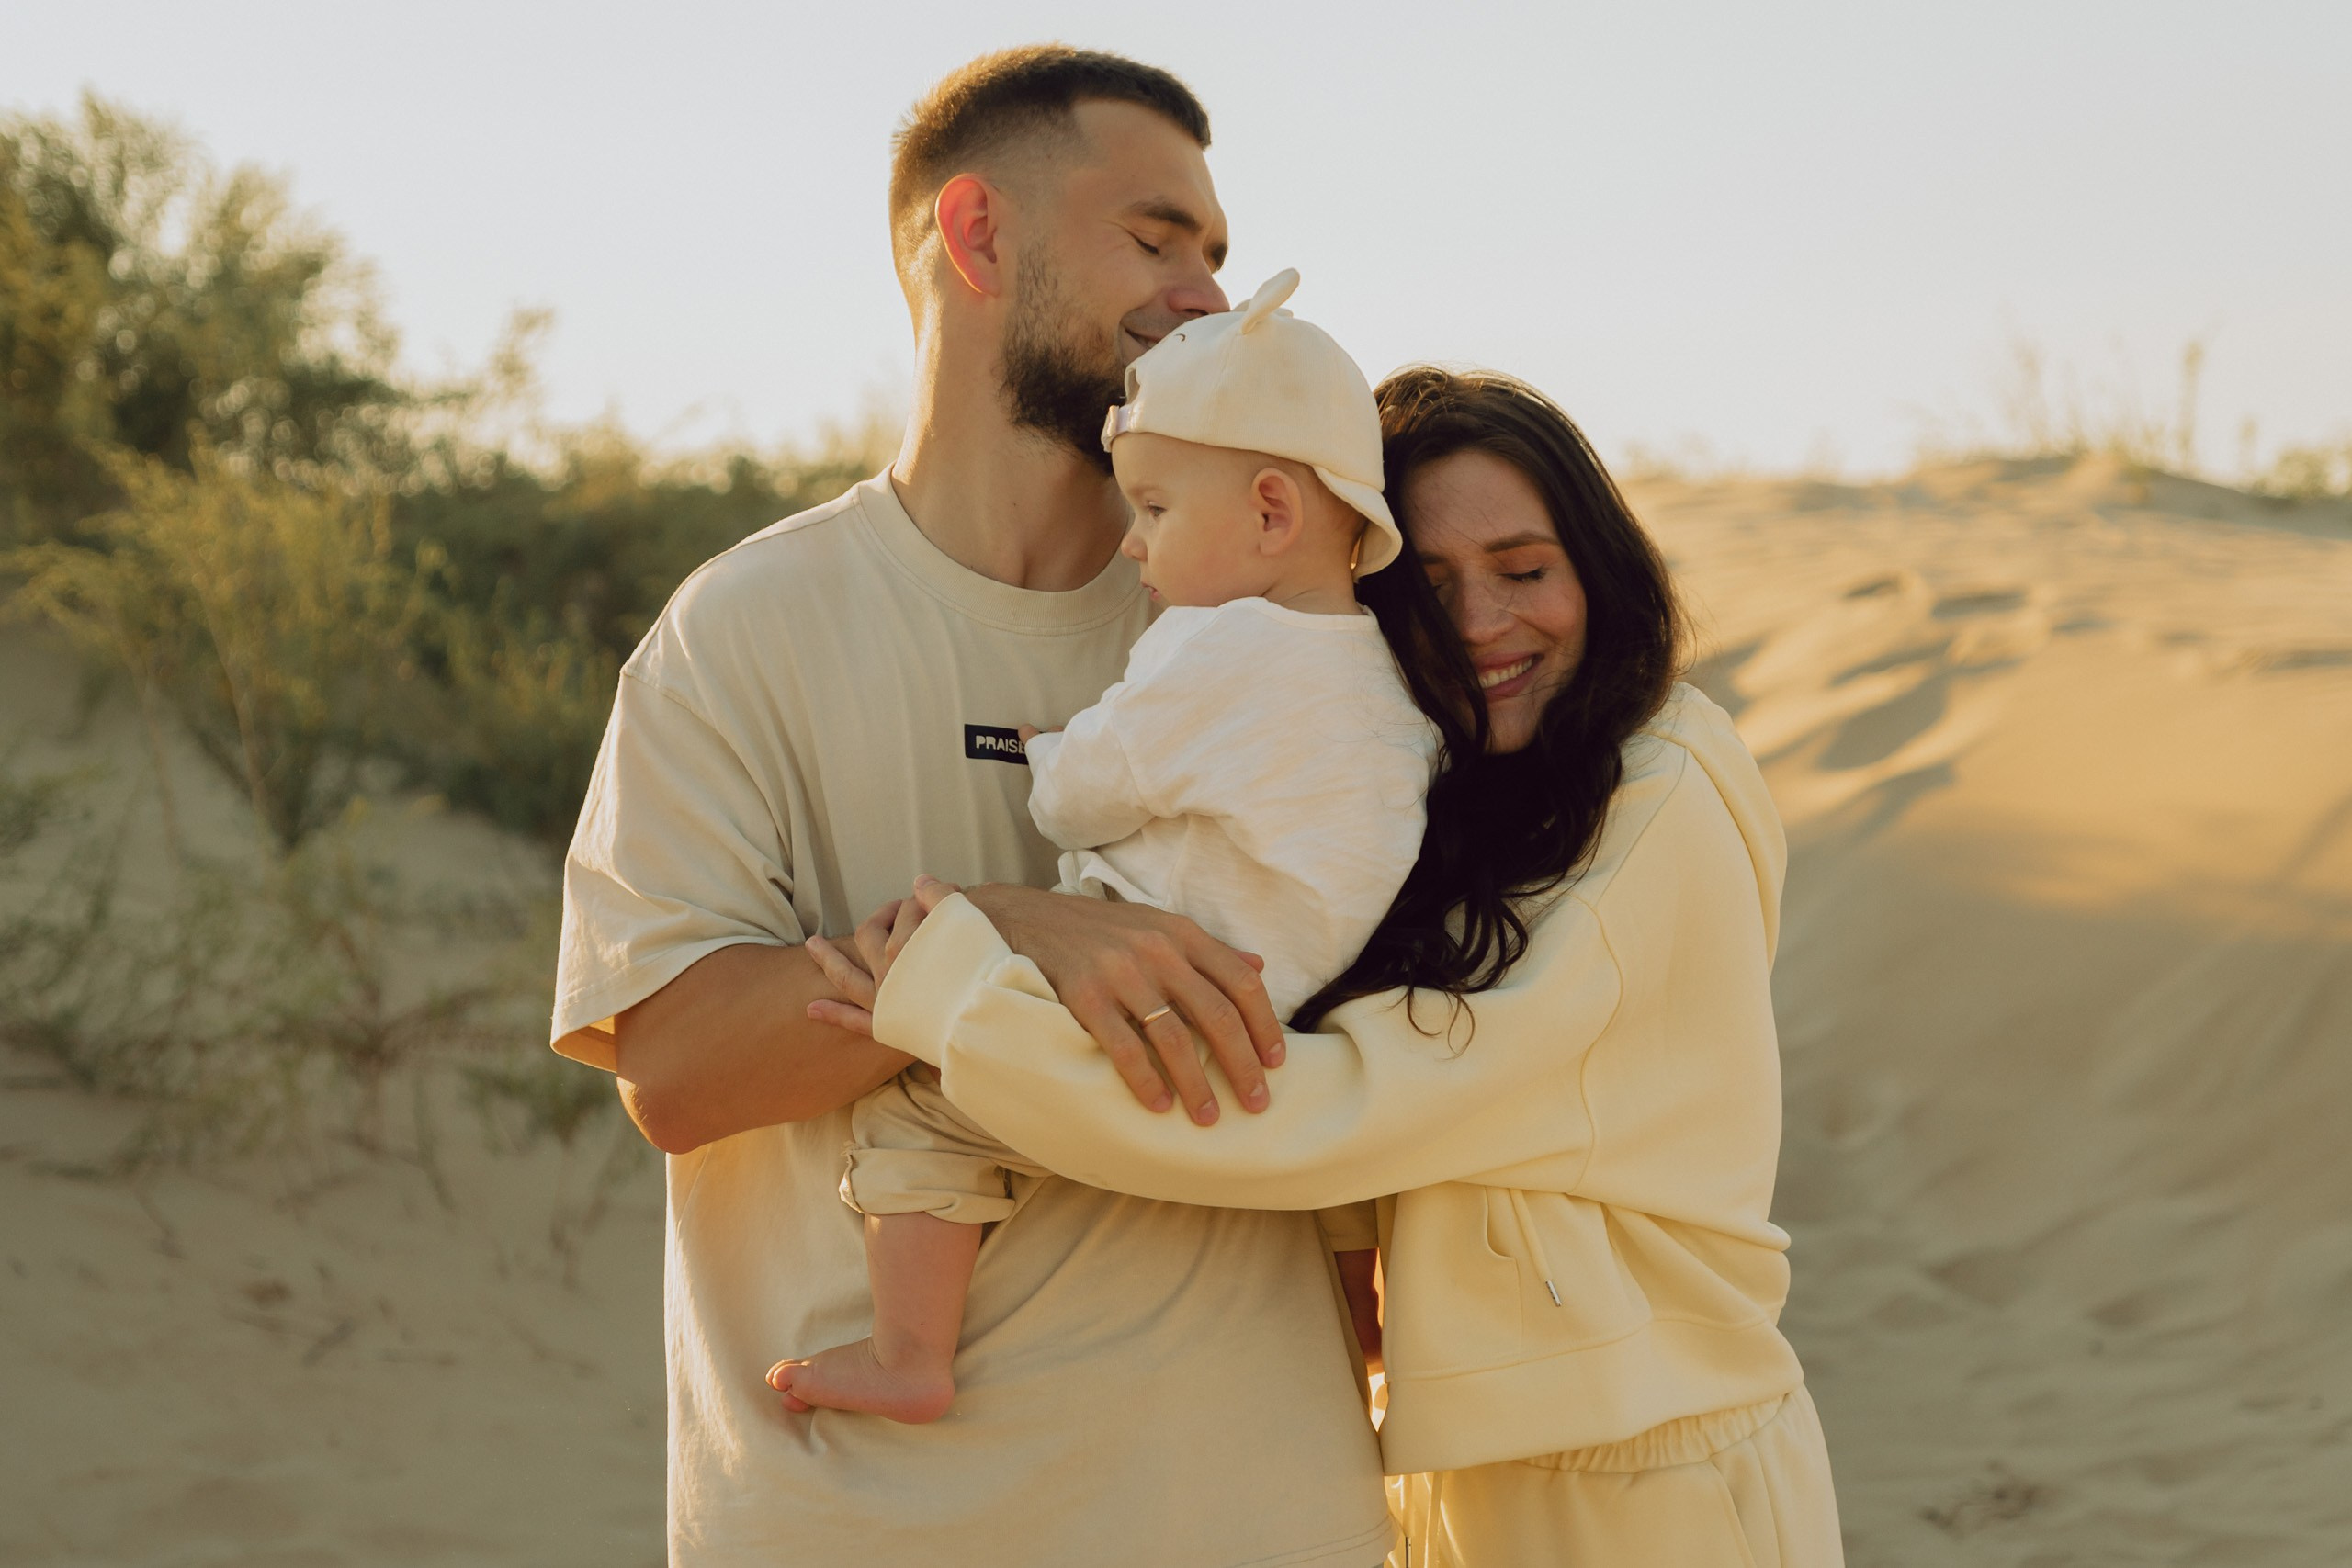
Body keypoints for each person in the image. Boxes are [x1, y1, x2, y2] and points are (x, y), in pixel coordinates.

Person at [550, 48, 1395, 1568]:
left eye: (1214, 250)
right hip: (847, 1518)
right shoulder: (740, 629)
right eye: (1155, 239)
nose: (1204, 293)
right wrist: (1007, 932)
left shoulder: (1295, 627)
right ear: (978, 235)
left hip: (1249, 1507)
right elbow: (670, 1066)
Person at [811, 369, 1846, 1565]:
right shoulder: (1460, 791)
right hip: (1467, 1476)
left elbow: (1338, 1108)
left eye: (1524, 569)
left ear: (1598, 569)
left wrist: (953, 997)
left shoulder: (1659, 788)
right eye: (1430, 584)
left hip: (1653, 1475)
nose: (1479, 624)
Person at [767, 270, 1438, 1422]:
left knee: (923, 1109)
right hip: (1297, 1037)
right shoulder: (1393, 689)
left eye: (1158, 510)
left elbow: (1082, 801)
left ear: (1272, 513)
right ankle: (1367, 1334)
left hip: (1154, 1015)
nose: (1134, 546)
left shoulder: (1211, 650)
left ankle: (908, 1355)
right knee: (1341, 1205)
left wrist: (1051, 749)